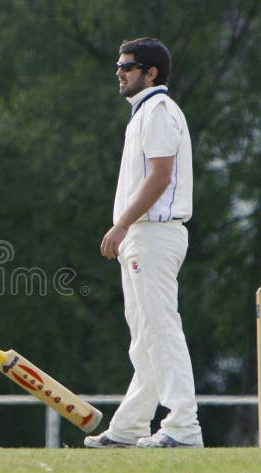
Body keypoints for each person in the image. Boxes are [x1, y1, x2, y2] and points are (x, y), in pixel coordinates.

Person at [84, 38, 203, 448]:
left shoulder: (158, 110)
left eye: (128, 66)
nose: (119, 72)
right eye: (119, 65)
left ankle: (183, 426)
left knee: (161, 328)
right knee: (144, 335)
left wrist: (121, 225)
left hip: (154, 233)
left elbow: (161, 177)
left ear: (151, 73)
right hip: (142, 235)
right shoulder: (142, 114)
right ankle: (131, 426)